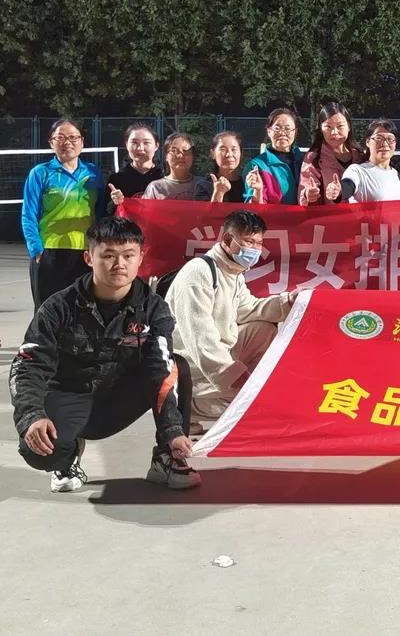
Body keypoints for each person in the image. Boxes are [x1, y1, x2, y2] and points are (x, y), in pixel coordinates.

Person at [11, 217, 199, 492]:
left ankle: (167, 457)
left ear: (140, 258)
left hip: (119, 399)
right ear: (89, 258)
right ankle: (67, 455)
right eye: (108, 255)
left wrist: (173, 430)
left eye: (128, 255)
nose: (119, 264)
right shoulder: (58, 307)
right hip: (70, 395)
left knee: (175, 366)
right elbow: (28, 365)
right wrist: (32, 416)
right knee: (39, 452)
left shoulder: (153, 309)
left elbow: (159, 368)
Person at [166, 209, 298, 425]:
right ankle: (187, 406)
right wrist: (231, 374)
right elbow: (200, 338)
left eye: (259, 243)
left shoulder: (232, 271)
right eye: (249, 242)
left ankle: (235, 389)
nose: (255, 249)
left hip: (220, 351)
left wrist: (288, 302)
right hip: (191, 366)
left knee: (263, 329)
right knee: (257, 402)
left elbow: (248, 308)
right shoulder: (199, 272)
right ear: (228, 239)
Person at [22, 119, 106, 309]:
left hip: (85, 251)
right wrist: (36, 249)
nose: (67, 142)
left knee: (82, 310)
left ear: (82, 141)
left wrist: (98, 246)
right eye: (60, 138)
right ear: (51, 143)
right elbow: (29, 214)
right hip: (49, 250)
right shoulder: (40, 173)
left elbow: (100, 211)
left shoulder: (93, 173)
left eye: (73, 137)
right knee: (47, 311)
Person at [299, 102, 363, 206]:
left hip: (359, 215)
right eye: (328, 127)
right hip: (330, 215)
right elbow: (305, 189)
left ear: (349, 126)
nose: (334, 132)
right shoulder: (314, 158)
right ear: (321, 129)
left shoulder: (360, 156)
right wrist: (308, 194)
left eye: (340, 126)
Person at [244, 108, 303, 204]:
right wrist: (257, 191)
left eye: (287, 129)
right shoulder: (257, 166)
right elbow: (252, 207)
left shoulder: (305, 162)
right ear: (269, 131)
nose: (282, 133)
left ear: (295, 132)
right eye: (277, 128)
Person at [342, 119, 400, 202]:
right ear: (368, 142)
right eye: (378, 138)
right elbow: (348, 185)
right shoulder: (357, 171)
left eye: (390, 139)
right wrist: (339, 191)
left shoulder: (396, 174)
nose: (385, 144)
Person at [105, 122, 163, 214]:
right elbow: (107, 214)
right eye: (134, 142)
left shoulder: (164, 178)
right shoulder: (116, 180)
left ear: (156, 145)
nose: (140, 148)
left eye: (146, 142)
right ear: (126, 145)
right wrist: (115, 203)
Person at [142, 132, 213, 201]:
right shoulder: (155, 188)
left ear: (193, 156)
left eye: (185, 151)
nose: (180, 156)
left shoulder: (204, 185)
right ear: (166, 156)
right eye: (174, 151)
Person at [208, 131, 247, 204]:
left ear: (241, 153)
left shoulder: (247, 184)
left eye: (234, 149)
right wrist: (218, 193)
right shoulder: (203, 185)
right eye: (223, 150)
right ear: (212, 153)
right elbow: (202, 211)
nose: (229, 154)